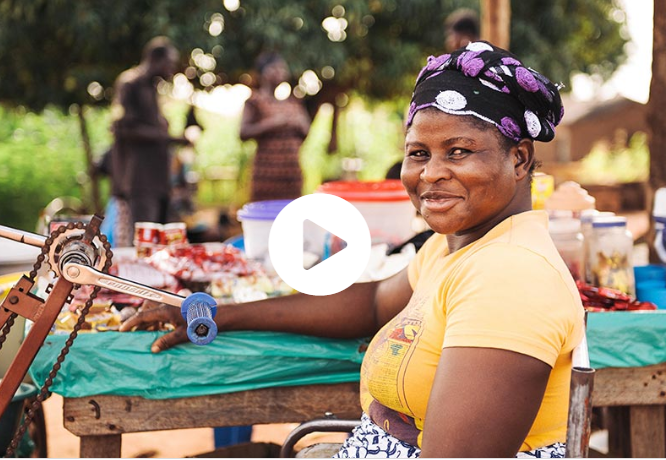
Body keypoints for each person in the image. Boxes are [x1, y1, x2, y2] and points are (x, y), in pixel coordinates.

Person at [121, 42, 583, 458]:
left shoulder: (510, 276)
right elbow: (372, 301)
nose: (431, 173)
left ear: (519, 158)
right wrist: (218, 312)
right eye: (419, 153)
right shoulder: (459, 248)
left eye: (459, 151)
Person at [111, 36, 190, 228]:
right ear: (156, 59)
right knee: (144, 239)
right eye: (169, 64)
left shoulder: (152, 87)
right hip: (139, 180)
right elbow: (123, 129)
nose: (171, 70)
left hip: (158, 181)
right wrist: (170, 138)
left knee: (158, 238)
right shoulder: (130, 84)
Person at [239, 52, 311, 202]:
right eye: (275, 68)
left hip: (292, 176)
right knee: (265, 220)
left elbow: (306, 131)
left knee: (291, 218)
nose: (280, 72)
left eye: (282, 68)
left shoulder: (293, 102)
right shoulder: (255, 101)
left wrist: (299, 123)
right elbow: (243, 132)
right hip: (266, 177)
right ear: (263, 73)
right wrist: (273, 124)